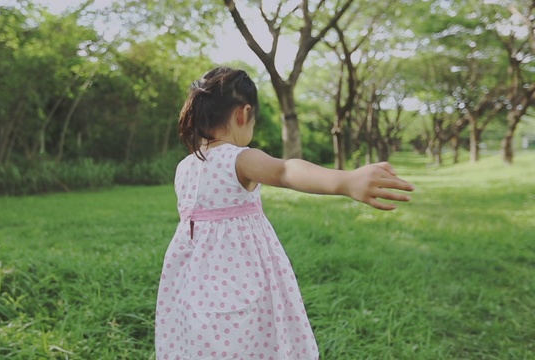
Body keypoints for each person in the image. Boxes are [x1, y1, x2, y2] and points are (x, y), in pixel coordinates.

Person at [155, 67, 414, 360]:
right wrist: (344, 180)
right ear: (244, 113)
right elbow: (286, 170)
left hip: (196, 278)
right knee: (249, 333)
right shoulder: (240, 158)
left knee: (209, 336)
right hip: (240, 273)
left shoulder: (185, 166)